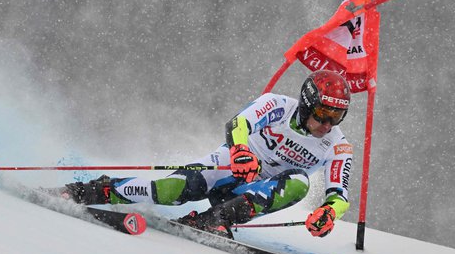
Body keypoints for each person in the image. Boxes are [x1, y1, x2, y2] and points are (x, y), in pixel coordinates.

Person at [59, 69, 354, 239]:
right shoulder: (278, 105)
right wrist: (240, 151)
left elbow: (339, 195)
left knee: (300, 183)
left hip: (254, 192)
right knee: (173, 189)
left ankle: (213, 219)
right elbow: (239, 123)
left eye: (336, 117)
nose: (327, 124)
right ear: (306, 105)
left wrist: (329, 213)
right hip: (232, 167)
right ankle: (92, 190)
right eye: (323, 114)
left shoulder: (337, 145)